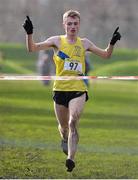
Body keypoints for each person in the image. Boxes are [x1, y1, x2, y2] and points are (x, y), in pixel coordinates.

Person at [23, 10, 121, 172]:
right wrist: (29, 33)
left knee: (73, 120)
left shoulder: (85, 43)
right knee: (63, 127)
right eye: (69, 23)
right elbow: (32, 48)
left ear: (79, 25)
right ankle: (63, 137)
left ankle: (70, 158)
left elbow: (105, 55)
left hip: (78, 90)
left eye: (75, 23)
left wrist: (112, 43)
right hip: (60, 90)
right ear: (64, 25)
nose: (72, 27)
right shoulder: (57, 41)